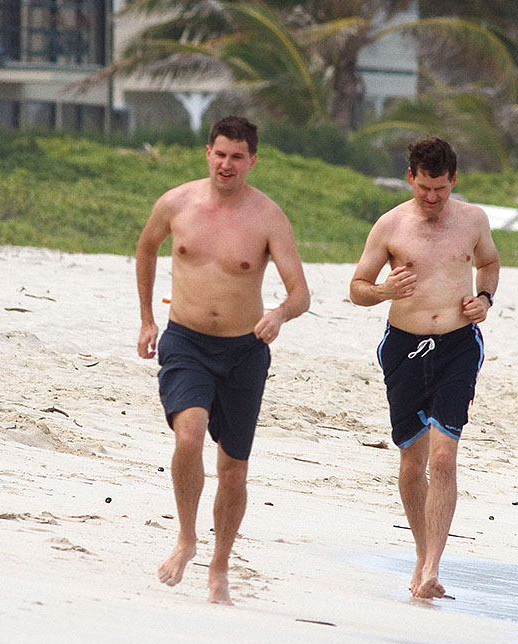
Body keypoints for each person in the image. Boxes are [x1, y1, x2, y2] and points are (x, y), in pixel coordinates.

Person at [136, 115, 310, 605]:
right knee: (188, 433)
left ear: (252, 160)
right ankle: (187, 538)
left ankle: (219, 565)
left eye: (237, 156)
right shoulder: (176, 203)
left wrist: (278, 313)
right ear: (207, 153)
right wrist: (148, 320)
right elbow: (146, 249)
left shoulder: (268, 217)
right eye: (220, 153)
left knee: (233, 469)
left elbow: (301, 293)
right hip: (186, 341)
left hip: (244, 352)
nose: (227, 164)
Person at [349, 137, 499, 600]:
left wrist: (485, 299)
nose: (432, 199)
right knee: (413, 461)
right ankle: (420, 552)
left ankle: (433, 567)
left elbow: (489, 263)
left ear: (453, 180)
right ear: (410, 177)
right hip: (404, 348)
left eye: (441, 189)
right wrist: (384, 290)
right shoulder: (390, 226)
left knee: (443, 455)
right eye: (424, 189)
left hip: (457, 345)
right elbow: (357, 287)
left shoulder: (472, 219)